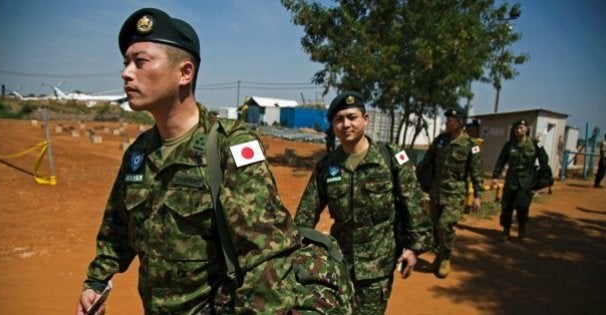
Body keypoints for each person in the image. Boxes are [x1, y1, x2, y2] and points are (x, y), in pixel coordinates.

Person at [76, 8, 353, 314]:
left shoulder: (228, 146)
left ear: (185, 73)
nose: (126, 73)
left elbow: (266, 258)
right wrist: (97, 282)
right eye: (126, 62)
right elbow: (117, 229)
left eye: (140, 62)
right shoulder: (139, 155)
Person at [295, 92, 432, 314]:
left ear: (365, 119)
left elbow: (413, 203)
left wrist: (414, 249)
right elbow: (306, 213)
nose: (345, 124)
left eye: (352, 117)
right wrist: (297, 250)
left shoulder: (390, 158)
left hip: (378, 265)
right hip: (339, 263)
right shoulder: (327, 166)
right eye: (338, 119)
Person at [416, 108, 484, 279]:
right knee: (435, 227)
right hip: (437, 192)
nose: (446, 123)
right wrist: (417, 181)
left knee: (445, 225)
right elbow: (426, 162)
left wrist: (478, 196)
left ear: (460, 122)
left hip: (455, 194)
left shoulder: (471, 146)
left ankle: (445, 258)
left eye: (450, 121)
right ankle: (439, 256)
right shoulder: (441, 140)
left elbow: (476, 172)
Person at [492, 119, 549, 240]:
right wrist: (495, 176)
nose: (519, 130)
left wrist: (540, 144)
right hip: (511, 180)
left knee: (522, 207)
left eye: (522, 127)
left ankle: (521, 228)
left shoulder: (534, 144)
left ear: (527, 129)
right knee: (506, 206)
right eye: (517, 128)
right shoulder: (509, 145)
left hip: (526, 181)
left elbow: (544, 160)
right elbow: (501, 161)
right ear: (514, 130)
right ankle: (505, 231)